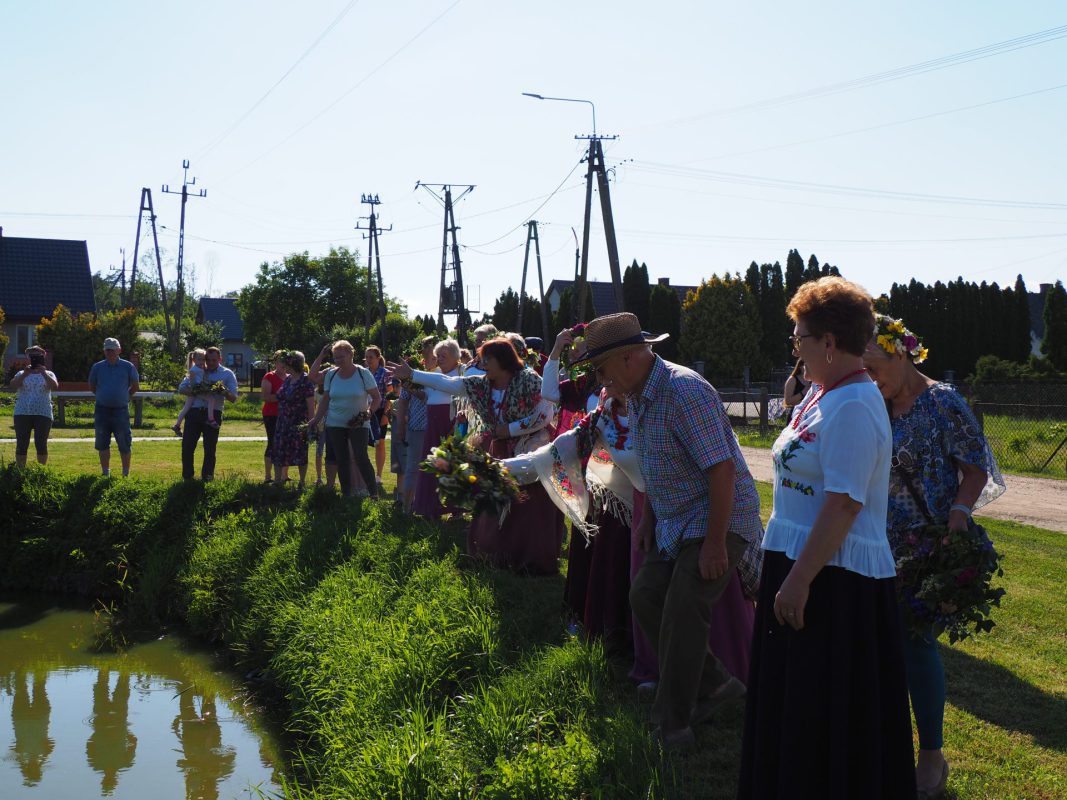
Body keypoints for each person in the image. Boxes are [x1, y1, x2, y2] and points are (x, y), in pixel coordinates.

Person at [738, 277, 916, 799]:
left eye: (800, 338)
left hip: (833, 578)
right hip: (803, 563)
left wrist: (798, 581)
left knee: (826, 709)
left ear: (830, 343)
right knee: (797, 703)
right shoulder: (822, 395)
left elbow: (844, 503)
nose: (795, 348)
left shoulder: (855, 404)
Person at [580, 313, 761, 751]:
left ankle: (671, 727)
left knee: (683, 606)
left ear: (628, 358)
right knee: (645, 594)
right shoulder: (638, 394)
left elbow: (721, 471)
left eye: (601, 369)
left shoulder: (684, 391)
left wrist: (715, 543)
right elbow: (655, 466)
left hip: (719, 518)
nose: (599, 380)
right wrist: (648, 520)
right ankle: (716, 684)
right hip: (676, 519)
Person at [864, 314, 1005, 798]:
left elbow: (975, 467)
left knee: (915, 645)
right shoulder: (873, 402)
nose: (870, 378)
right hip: (872, 542)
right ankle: (883, 745)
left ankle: (931, 755)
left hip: (925, 547)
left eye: (873, 367)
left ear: (898, 352)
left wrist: (959, 514)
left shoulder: (943, 401)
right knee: (875, 647)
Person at [389, 337, 564, 573]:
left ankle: (529, 559)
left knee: (528, 506)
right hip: (500, 451)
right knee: (494, 503)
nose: (482, 364)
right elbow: (449, 382)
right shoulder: (481, 385)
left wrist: (510, 429)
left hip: (531, 450)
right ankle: (494, 555)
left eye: (487, 359)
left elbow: (546, 413)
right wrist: (413, 374)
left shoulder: (529, 379)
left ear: (503, 359)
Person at [309, 340, 381, 499]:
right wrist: (316, 419)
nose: (338, 360)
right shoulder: (331, 374)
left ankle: (373, 494)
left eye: (341, 357)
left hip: (359, 423)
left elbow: (377, 398)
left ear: (350, 355)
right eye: (335, 357)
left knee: (361, 457)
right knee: (342, 459)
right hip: (335, 423)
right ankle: (346, 495)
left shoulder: (363, 373)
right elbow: (325, 399)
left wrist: (368, 413)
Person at [412, 338, 463, 517]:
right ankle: (430, 507)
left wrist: (456, 426)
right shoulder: (435, 373)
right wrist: (411, 387)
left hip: (450, 424)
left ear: (455, 357)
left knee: (452, 464)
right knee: (432, 464)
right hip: (433, 423)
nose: (440, 359)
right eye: (438, 356)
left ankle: (456, 510)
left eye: (444, 356)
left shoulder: (462, 373)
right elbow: (427, 396)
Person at [178, 346, 238, 481]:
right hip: (194, 411)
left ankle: (207, 478)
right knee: (187, 446)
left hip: (214, 413)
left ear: (220, 359)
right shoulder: (197, 369)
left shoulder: (227, 374)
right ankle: (187, 478)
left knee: (210, 448)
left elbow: (234, 398)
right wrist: (198, 391)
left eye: (213, 360)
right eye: (207, 360)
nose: (210, 363)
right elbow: (181, 389)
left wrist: (222, 390)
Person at [88, 337, 139, 477]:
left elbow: (135, 386)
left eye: (112, 349)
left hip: (121, 411)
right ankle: (105, 473)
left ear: (119, 350)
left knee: (124, 442)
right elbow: (92, 386)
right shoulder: (97, 367)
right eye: (107, 349)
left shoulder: (128, 366)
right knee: (102, 443)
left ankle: (125, 474)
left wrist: (125, 396)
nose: (109, 352)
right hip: (102, 410)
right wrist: (103, 395)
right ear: (104, 351)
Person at [271, 351, 317, 487]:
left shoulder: (306, 381)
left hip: (298, 423)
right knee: (279, 450)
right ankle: (277, 481)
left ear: (292, 363)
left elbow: (311, 404)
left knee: (300, 452)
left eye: (286, 362)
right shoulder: (288, 379)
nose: (283, 365)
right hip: (283, 422)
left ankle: (302, 482)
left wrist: (310, 424)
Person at [9, 345, 58, 467]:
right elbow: (13, 386)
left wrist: (43, 373)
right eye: (32, 356)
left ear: (43, 357)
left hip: (43, 413)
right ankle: (20, 472)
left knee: (41, 444)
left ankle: (41, 472)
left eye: (38, 356)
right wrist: (24, 375)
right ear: (28, 358)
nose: (34, 358)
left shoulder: (49, 374)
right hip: (22, 412)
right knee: (22, 444)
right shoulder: (21, 373)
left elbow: (54, 387)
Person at [172, 349, 220, 436]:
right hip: (196, 390)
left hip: (195, 390)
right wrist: (200, 389)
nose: (202, 361)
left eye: (203, 359)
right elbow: (193, 383)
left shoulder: (200, 368)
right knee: (211, 400)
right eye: (199, 359)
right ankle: (211, 419)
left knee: (186, 408)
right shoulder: (194, 370)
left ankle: (177, 425)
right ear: (194, 360)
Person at [365, 346, 390, 492]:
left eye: (371, 357)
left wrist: (386, 415)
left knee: (380, 443)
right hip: (365, 411)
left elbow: (390, 395)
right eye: (367, 357)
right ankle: (363, 473)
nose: (368, 360)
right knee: (362, 442)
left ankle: (378, 475)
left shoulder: (385, 373)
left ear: (378, 358)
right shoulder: (363, 372)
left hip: (380, 411)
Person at [261, 352, 286, 483]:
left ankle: (283, 476)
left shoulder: (290, 377)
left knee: (284, 444)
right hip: (271, 414)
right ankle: (268, 476)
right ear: (275, 362)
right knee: (272, 443)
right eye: (281, 361)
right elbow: (265, 397)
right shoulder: (269, 376)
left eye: (286, 361)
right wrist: (283, 396)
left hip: (286, 415)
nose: (284, 364)